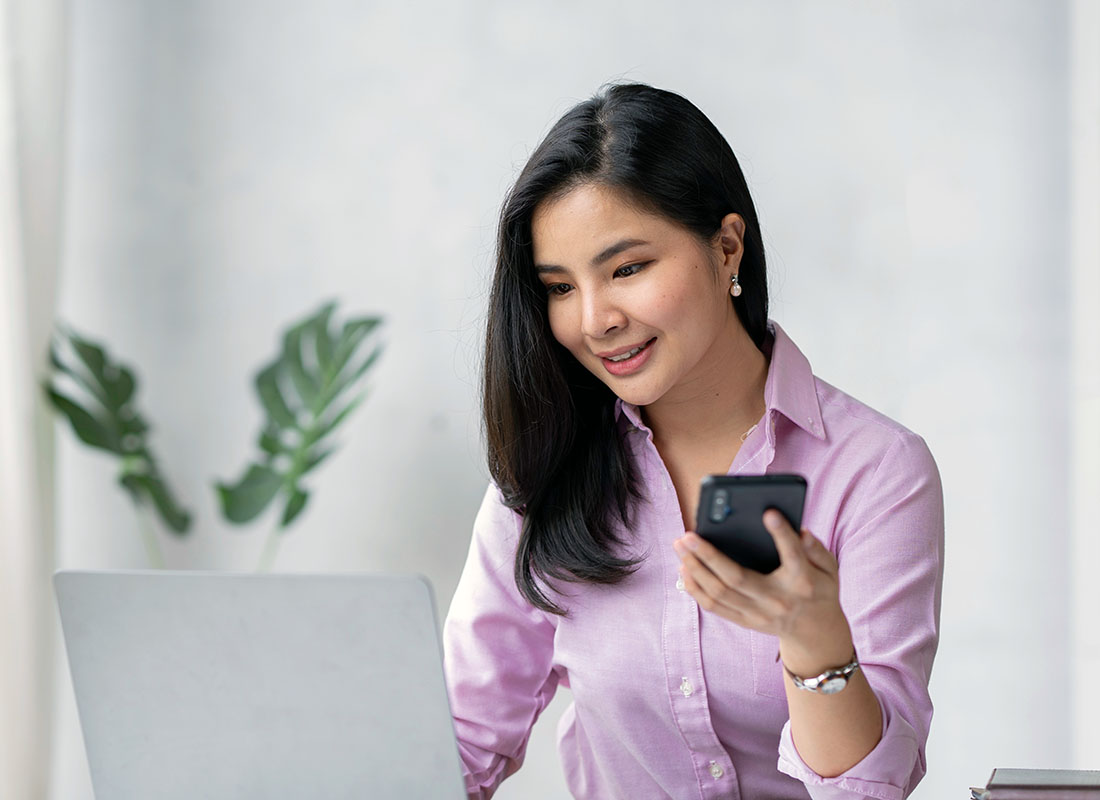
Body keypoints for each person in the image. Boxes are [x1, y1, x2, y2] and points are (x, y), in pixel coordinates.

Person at [443, 83, 944, 800]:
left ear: (727, 246)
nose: (594, 320)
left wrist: (812, 640)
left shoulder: (877, 471)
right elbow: (458, 745)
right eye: (558, 286)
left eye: (627, 269)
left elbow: (869, 789)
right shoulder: (543, 477)